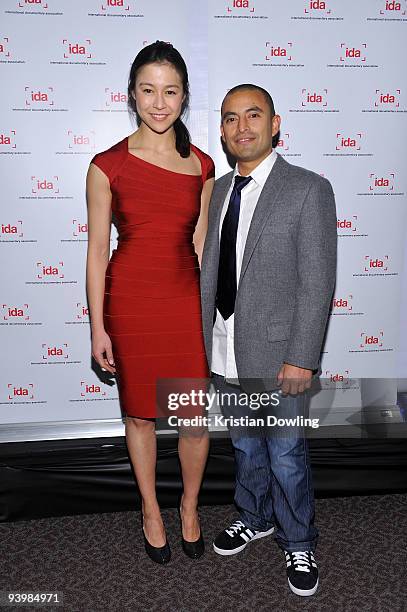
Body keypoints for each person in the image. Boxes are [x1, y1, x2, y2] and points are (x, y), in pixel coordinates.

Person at [200, 84, 337, 596]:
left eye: (253, 116)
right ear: (222, 130)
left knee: (285, 455)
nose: (242, 127)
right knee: (245, 447)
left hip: (282, 357)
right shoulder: (215, 192)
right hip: (225, 346)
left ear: (275, 124)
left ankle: (299, 539)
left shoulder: (307, 188)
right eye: (231, 118)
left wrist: (302, 357)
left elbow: (318, 280)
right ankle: (254, 516)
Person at [86, 41, 214, 564]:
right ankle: (150, 509)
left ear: (184, 97)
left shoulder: (203, 165)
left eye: (170, 91)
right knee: (139, 417)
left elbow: (203, 248)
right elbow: (97, 251)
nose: (158, 103)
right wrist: (98, 328)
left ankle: (188, 507)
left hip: (184, 303)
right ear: (132, 95)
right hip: (131, 301)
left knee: (193, 420)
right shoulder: (106, 165)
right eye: (148, 91)